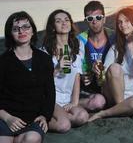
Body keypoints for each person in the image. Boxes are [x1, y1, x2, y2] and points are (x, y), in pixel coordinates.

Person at [88, 7, 133, 121]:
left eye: (127, 21)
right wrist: (96, 68)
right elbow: (105, 71)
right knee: (114, 67)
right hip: (116, 93)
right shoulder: (116, 47)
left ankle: (105, 113)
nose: (123, 25)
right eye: (120, 22)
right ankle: (121, 107)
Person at [0, 11, 55, 143]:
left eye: (26, 27)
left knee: (31, 139)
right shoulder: (3, 62)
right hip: (8, 117)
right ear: (10, 34)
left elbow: (50, 92)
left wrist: (44, 116)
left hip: (33, 118)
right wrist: (7, 118)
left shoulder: (44, 59)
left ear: (33, 31)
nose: (21, 31)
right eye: (15, 29)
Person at [43, 10, 89, 133]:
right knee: (63, 126)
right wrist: (57, 68)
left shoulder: (77, 46)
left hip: (67, 99)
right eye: (58, 21)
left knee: (83, 116)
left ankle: (61, 117)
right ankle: (40, 120)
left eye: (66, 20)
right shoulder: (44, 52)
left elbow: (76, 77)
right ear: (52, 27)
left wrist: (74, 102)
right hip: (50, 99)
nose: (64, 23)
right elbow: (41, 82)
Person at [77, 1, 113, 111]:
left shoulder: (113, 37)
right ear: (86, 21)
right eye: (90, 19)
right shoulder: (80, 40)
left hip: (109, 84)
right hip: (89, 86)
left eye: (98, 17)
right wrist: (81, 74)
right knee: (98, 102)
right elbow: (74, 64)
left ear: (104, 19)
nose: (94, 22)